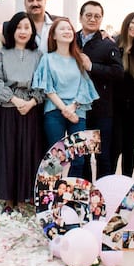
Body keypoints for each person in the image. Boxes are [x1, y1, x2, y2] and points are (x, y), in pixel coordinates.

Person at [0, 12, 45, 213]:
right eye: (18, 27)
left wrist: (31, 102)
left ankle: (23, 197)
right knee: (7, 152)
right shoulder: (1, 54)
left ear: (32, 31)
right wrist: (13, 99)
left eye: (26, 27)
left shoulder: (39, 56)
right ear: (12, 30)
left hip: (30, 109)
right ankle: (9, 199)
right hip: (7, 108)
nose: (22, 31)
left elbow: (42, 82)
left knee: (26, 152)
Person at [33, 17, 99, 178]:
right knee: (54, 159)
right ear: (53, 35)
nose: (67, 31)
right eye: (62, 29)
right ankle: (50, 197)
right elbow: (48, 88)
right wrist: (65, 109)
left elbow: (85, 87)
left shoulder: (80, 59)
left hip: (78, 112)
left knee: (79, 159)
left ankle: (72, 197)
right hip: (54, 111)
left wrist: (73, 107)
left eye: (69, 28)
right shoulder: (47, 59)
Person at [76, 1, 123, 180]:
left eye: (97, 16)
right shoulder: (70, 39)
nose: (93, 19)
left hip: (101, 110)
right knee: (83, 157)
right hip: (79, 110)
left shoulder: (107, 44)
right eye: (88, 15)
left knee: (102, 157)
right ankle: (86, 197)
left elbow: (119, 73)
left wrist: (92, 66)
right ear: (80, 17)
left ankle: (104, 197)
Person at [113, 11, 134, 176]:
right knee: (115, 146)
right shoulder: (113, 45)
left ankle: (126, 183)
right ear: (126, 23)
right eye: (133, 23)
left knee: (128, 147)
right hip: (115, 105)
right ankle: (108, 183)